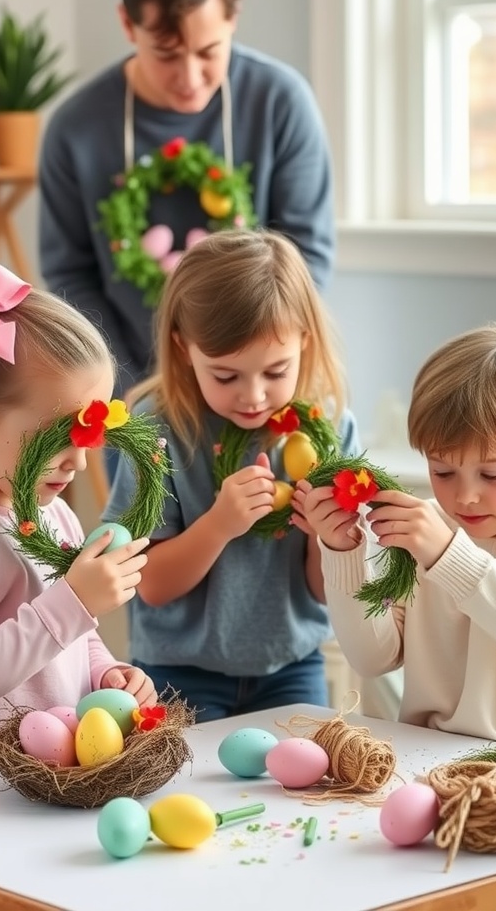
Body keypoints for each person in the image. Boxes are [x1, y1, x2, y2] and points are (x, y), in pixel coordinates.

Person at [39, 0, 336, 394]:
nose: (190, 77)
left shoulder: (281, 102)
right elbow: (69, 276)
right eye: (167, 54)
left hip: (259, 388)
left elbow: (307, 255)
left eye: (208, 52)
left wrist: (249, 373)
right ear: (126, 23)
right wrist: (132, 389)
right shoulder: (75, 129)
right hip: (137, 391)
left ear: (233, 18)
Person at [104, 230, 360, 722]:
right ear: (184, 348)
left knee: (308, 790)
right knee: (183, 793)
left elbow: (327, 590)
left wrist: (325, 537)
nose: (254, 396)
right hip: (178, 671)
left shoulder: (328, 428)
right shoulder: (160, 429)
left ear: (305, 341)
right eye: (226, 376)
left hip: (292, 665)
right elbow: (151, 585)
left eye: (276, 371)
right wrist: (220, 523)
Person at [0, 260, 156, 781]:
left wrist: (106, 672)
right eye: (56, 440)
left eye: (88, 436)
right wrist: (75, 601)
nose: (77, 463)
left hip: (44, 781)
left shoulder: (55, 513)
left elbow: (76, 639)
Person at [293, 323, 496, 741]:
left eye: (493, 473)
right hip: (425, 756)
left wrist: (448, 557)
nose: (466, 497)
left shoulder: (437, 543)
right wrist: (342, 550)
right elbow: (374, 658)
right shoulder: (425, 529)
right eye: (442, 471)